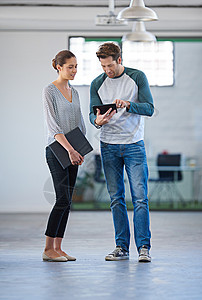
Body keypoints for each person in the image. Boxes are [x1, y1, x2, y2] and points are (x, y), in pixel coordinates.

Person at [89, 42, 154, 262]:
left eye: (110, 65)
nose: (107, 70)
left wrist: (128, 104)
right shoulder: (97, 83)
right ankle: (121, 248)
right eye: (103, 66)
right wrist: (97, 121)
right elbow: (92, 114)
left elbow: (150, 108)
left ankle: (144, 248)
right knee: (116, 199)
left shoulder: (137, 77)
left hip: (134, 144)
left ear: (119, 60)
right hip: (108, 146)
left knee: (140, 199)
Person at [42, 50, 86, 262]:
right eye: (70, 66)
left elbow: (80, 124)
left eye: (76, 66)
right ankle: (48, 249)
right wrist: (70, 149)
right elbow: (53, 127)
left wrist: (80, 149)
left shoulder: (75, 92)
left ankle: (58, 248)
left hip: (73, 151)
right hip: (57, 150)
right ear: (59, 67)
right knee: (61, 199)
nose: (74, 70)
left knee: (68, 202)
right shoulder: (49, 90)